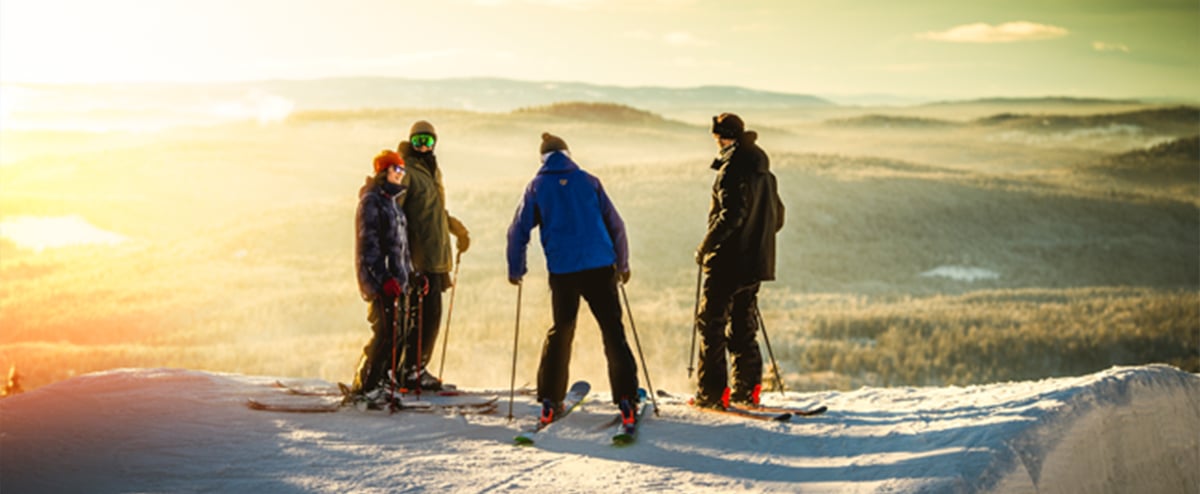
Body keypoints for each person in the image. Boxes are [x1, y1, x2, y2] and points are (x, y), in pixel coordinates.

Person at [507, 132, 639, 423]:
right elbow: (616, 224)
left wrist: (516, 269)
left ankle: (550, 400)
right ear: (568, 154)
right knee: (612, 330)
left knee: (562, 330)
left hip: (563, 271)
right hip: (600, 267)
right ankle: (627, 398)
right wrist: (623, 264)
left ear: (542, 158)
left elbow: (517, 231)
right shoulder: (589, 181)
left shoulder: (536, 187)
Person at [693, 113, 785, 410]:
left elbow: (730, 215)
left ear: (724, 137)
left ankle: (712, 393)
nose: (716, 143)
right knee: (744, 326)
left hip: (727, 262)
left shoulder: (731, 170)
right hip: (755, 263)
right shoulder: (765, 173)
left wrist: (705, 247)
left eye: (717, 138)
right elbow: (778, 218)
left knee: (711, 324)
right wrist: (756, 240)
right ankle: (748, 390)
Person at [396, 120, 470, 391]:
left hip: (436, 256)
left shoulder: (432, 170)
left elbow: (434, 211)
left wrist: (456, 229)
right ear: (411, 142)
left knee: (431, 316)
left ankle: (415, 368)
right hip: (420, 258)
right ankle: (411, 370)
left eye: (428, 141)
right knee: (423, 316)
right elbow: (397, 213)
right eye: (418, 141)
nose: (423, 147)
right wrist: (406, 255)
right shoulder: (407, 170)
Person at [350, 150, 413, 405]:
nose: (400, 175)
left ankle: (381, 380)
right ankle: (366, 386)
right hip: (380, 283)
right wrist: (384, 277)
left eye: (402, 170)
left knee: (399, 333)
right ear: (383, 171)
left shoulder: (391, 203)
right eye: (396, 170)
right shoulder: (372, 201)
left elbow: (401, 248)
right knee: (385, 333)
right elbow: (369, 246)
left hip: (396, 282)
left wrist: (411, 275)